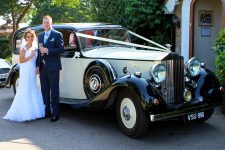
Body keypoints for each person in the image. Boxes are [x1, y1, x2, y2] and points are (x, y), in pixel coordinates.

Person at [3, 29, 45, 122]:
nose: (30, 38)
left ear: (34, 37)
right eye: (28, 37)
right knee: (25, 88)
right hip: (26, 70)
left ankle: (35, 111)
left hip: (32, 70)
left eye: (31, 36)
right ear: (25, 38)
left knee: (33, 87)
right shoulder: (24, 48)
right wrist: (31, 56)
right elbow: (21, 60)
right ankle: (24, 113)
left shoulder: (35, 47)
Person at [36, 15, 64, 122]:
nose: (46, 24)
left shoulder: (57, 34)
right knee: (44, 91)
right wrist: (37, 66)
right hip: (42, 68)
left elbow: (61, 49)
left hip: (53, 67)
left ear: (51, 23)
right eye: (44, 22)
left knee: (54, 91)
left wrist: (48, 50)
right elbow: (39, 52)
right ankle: (47, 111)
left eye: (48, 22)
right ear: (42, 24)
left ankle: (55, 114)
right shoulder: (40, 35)